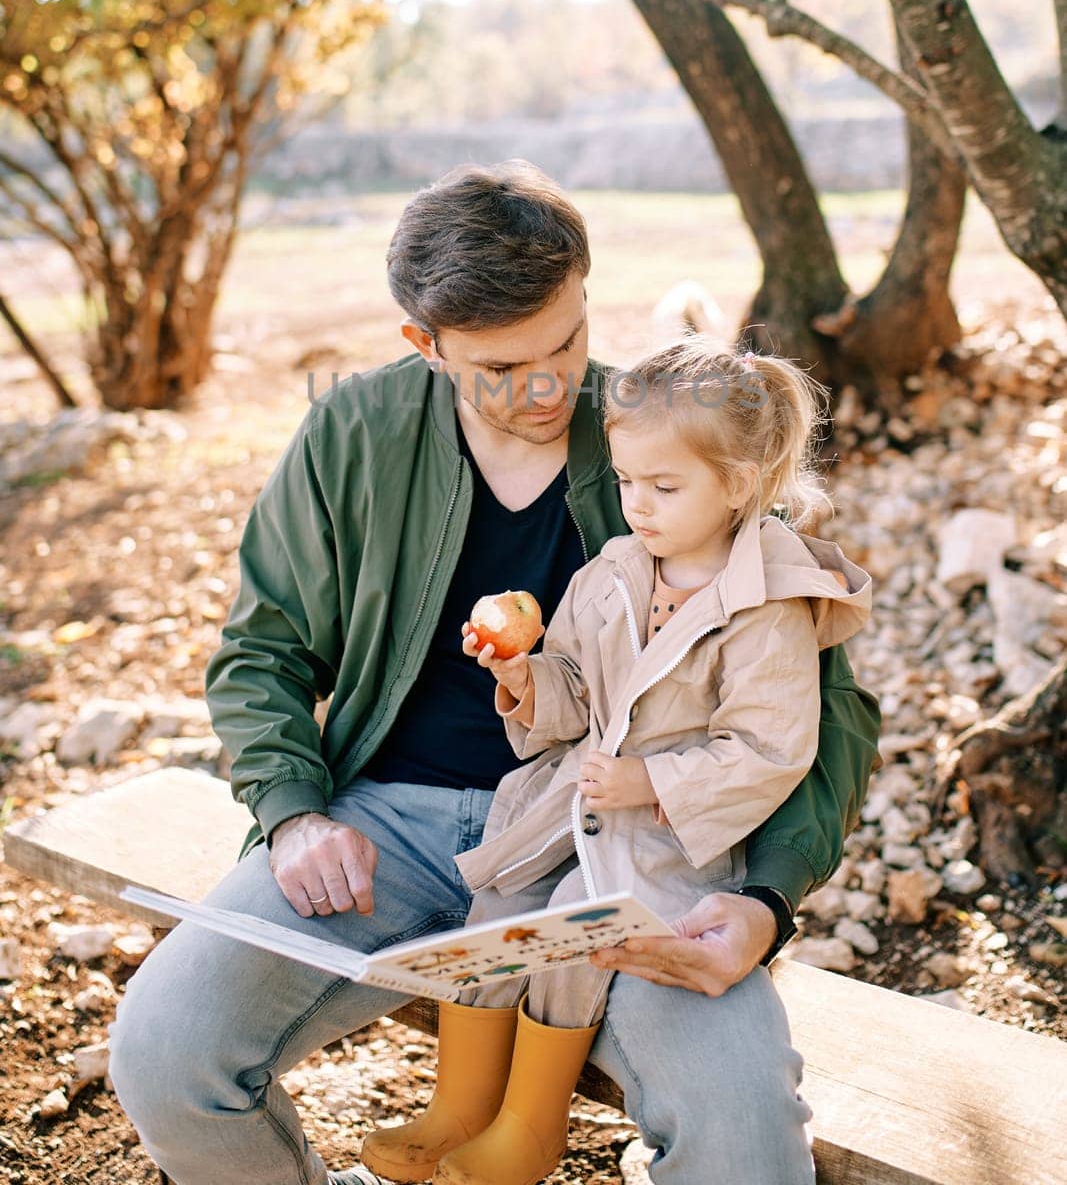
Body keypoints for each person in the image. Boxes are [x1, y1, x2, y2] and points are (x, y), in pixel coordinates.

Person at [107, 160, 881, 1185]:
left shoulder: (671, 433)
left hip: (624, 857)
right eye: (500, 368)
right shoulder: (353, 432)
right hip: (381, 828)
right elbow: (263, 649)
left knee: (743, 1132)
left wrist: (767, 900)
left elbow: (821, 706)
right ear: (423, 345)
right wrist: (293, 813)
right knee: (164, 1056)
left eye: (566, 342)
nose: (549, 386)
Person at [360, 339, 873, 1185]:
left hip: (664, 838)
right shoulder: (612, 573)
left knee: (570, 926)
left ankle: (527, 1129)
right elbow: (574, 689)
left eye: (664, 488)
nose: (636, 505)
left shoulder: (766, 610)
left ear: (739, 484)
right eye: (628, 482)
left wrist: (651, 781)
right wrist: (523, 679)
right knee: (495, 904)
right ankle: (459, 1105)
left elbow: (769, 748)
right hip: (573, 799)